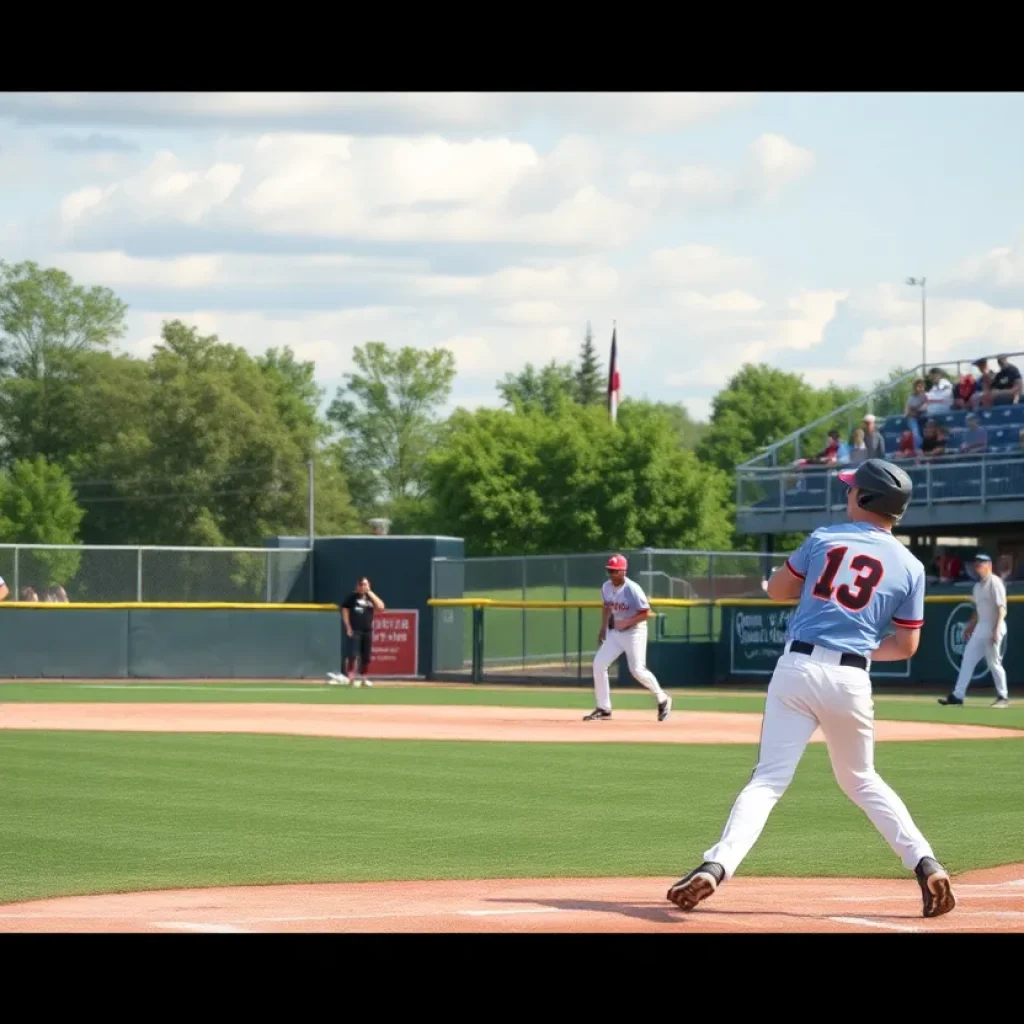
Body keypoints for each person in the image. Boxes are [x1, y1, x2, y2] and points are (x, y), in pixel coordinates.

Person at [666, 459, 956, 920]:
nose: (846, 495)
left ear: (863, 498)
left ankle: (716, 865)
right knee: (861, 779)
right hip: (852, 678)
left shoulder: (824, 538)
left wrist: (778, 585)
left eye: (851, 490)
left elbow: (777, 591)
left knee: (768, 780)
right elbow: (906, 645)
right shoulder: (912, 566)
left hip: (798, 666)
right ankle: (925, 863)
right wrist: (858, 651)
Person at [584, 554, 671, 722]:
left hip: (635, 632)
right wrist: (603, 627)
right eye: (610, 571)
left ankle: (663, 699)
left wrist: (627, 622)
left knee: (637, 670)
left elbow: (646, 612)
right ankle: (604, 708)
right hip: (615, 633)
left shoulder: (633, 589)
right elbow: (606, 607)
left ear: (623, 571)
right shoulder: (606, 587)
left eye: (615, 571)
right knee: (599, 664)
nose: (612, 574)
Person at [938, 553, 1010, 708]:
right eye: (976, 565)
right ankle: (958, 696)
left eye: (981, 564)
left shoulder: (995, 582)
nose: (978, 567)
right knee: (968, 660)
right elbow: (977, 610)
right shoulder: (977, 587)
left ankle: (1003, 697)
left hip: (993, 627)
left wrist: (996, 630)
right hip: (980, 628)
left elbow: (1002, 609)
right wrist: (970, 626)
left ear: (989, 566)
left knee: (994, 662)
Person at [326, 577, 385, 688]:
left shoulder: (370, 598)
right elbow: (345, 610)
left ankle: (364, 678)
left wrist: (370, 592)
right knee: (352, 654)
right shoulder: (352, 597)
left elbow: (381, 607)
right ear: (357, 586)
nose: (363, 587)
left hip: (367, 630)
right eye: (361, 584)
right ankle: (350, 677)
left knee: (366, 656)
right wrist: (348, 627)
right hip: (355, 629)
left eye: (365, 584)